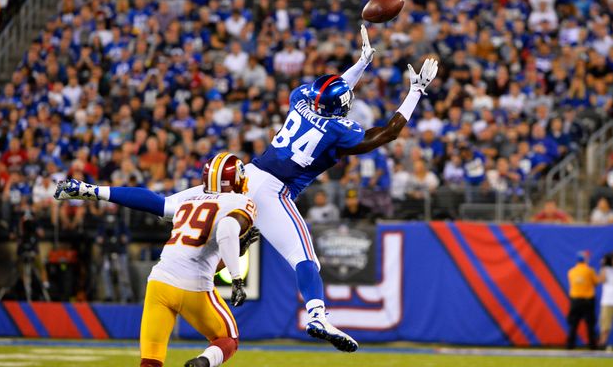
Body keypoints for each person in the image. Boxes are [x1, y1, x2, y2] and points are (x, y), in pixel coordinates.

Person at [55, 26, 439, 352]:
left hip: (243, 178)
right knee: (305, 260)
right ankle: (319, 315)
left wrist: (362, 63)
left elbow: (332, 91)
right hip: (273, 193)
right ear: (341, 110)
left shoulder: (300, 98)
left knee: (165, 205)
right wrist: (415, 91)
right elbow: (387, 132)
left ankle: (89, 189)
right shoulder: (339, 130)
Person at [140, 152, 258, 367]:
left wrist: (237, 249)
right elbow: (226, 229)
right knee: (228, 339)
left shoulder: (187, 201)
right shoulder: (240, 201)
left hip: (159, 282)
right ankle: (203, 363)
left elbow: (197, 256)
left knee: (151, 360)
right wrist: (236, 278)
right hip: (193, 287)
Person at [566, 250, 600, 350]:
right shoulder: (589, 271)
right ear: (585, 260)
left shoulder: (571, 271)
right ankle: (592, 345)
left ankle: (570, 345)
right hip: (587, 300)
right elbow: (596, 282)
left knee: (573, 324)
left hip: (575, 300)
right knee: (590, 324)